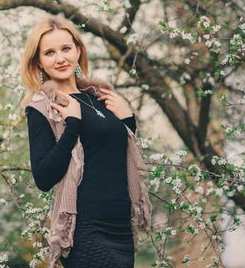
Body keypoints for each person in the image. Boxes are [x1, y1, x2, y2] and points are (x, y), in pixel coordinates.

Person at [19, 17, 152, 268]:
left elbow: (111, 156)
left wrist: (127, 122)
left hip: (120, 227)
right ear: (39, 62)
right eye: (49, 52)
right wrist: (72, 126)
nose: (60, 58)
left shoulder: (99, 98)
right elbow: (43, 178)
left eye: (66, 49)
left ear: (78, 50)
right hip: (86, 228)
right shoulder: (43, 108)